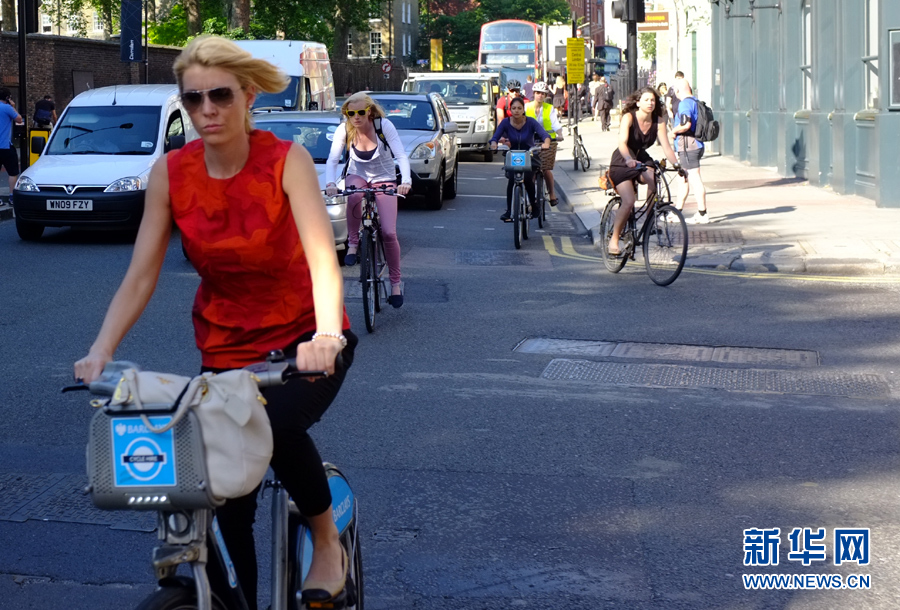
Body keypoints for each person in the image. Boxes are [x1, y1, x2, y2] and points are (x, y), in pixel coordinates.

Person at [73, 36, 357, 610]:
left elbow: (322, 260)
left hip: (304, 338)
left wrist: (327, 335)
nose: (207, 110)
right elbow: (141, 275)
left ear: (248, 96)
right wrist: (101, 349)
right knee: (223, 489)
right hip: (226, 348)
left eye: (220, 95)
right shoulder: (171, 174)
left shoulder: (286, 161)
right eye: (193, 98)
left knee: (272, 427)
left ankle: (327, 539)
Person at [325, 92, 411, 307]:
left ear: (370, 112)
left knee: (389, 232)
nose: (356, 117)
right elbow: (333, 159)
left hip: (385, 177)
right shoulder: (344, 129)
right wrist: (330, 183)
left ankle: (395, 284)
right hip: (358, 175)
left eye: (361, 112)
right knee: (353, 194)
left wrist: (406, 181)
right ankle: (353, 244)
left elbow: (401, 155)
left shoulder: (384, 126)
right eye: (351, 113)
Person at [606, 86, 679, 256]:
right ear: (638, 103)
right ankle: (614, 240)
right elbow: (622, 143)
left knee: (654, 178)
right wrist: (628, 159)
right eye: (646, 100)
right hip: (623, 159)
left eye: (653, 100)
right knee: (629, 201)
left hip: (640, 157)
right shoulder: (629, 117)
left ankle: (649, 221)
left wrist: (677, 165)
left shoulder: (658, 121)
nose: (650, 103)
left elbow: (667, 147)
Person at [489, 96, 551, 222]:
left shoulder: (531, 122)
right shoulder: (505, 122)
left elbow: (545, 135)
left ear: (523, 110)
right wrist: (494, 144)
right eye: (514, 108)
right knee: (512, 180)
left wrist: (546, 143)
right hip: (513, 156)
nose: (516, 111)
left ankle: (534, 206)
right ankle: (509, 211)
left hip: (529, 155)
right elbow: (495, 137)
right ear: (510, 109)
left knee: (528, 178)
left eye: (519, 108)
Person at [671, 79, 709, 224]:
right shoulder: (695, 101)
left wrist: (673, 131)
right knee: (683, 179)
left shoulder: (685, 104)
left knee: (694, 178)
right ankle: (677, 212)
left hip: (688, 146)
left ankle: (702, 213)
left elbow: (686, 124)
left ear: (677, 91)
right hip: (694, 144)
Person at [526, 81, 564, 206]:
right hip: (530, 140)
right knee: (530, 170)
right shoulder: (526, 107)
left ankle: (552, 194)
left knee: (546, 168)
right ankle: (530, 198)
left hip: (547, 140)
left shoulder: (549, 108)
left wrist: (559, 134)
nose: (540, 95)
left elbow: (555, 123)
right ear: (534, 93)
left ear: (546, 95)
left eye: (543, 93)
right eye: (538, 93)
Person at [0, 88, 23, 206]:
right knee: (13, 172)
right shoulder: (7, 108)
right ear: (8, 98)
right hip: (5, 146)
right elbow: (19, 119)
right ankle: (11, 197)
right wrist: (13, 106)